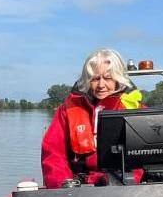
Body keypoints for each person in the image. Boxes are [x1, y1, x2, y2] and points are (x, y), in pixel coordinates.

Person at [41, 48, 144, 189]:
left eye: (108, 78)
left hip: (123, 185)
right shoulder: (67, 110)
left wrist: (128, 181)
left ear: (118, 79)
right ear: (87, 80)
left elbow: (144, 157)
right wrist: (64, 185)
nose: (101, 85)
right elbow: (53, 154)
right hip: (79, 187)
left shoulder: (136, 109)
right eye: (95, 79)